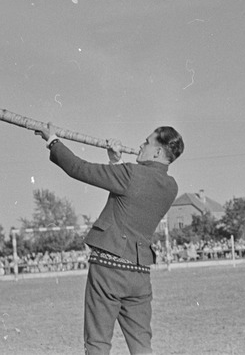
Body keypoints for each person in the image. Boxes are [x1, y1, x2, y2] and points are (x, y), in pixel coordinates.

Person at [35, 123, 183, 355]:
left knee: (97, 344)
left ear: (157, 151)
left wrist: (52, 140)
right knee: (142, 346)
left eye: (146, 142)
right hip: (139, 275)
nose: (140, 146)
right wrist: (116, 162)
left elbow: (77, 168)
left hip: (108, 271)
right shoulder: (171, 187)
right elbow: (132, 195)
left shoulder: (130, 174)